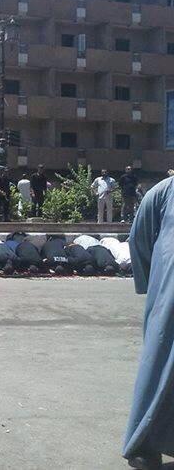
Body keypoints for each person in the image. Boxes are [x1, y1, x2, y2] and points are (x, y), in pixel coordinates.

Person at [123, 177, 174, 469]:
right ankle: (142, 445)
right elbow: (139, 239)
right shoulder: (163, 191)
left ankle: (144, 447)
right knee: (161, 363)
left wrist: (153, 283)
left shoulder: (163, 191)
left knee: (160, 362)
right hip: (169, 296)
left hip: (167, 293)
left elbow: (138, 239)